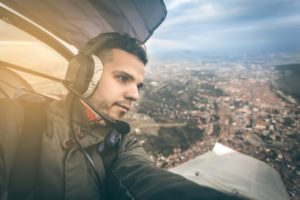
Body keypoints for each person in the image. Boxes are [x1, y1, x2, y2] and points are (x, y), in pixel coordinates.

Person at [0, 32, 245, 200]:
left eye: (139, 85)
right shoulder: (14, 119)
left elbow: (144, 179)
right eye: (123, 78)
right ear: (83, 75)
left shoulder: (120, 142)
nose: (135, 95)